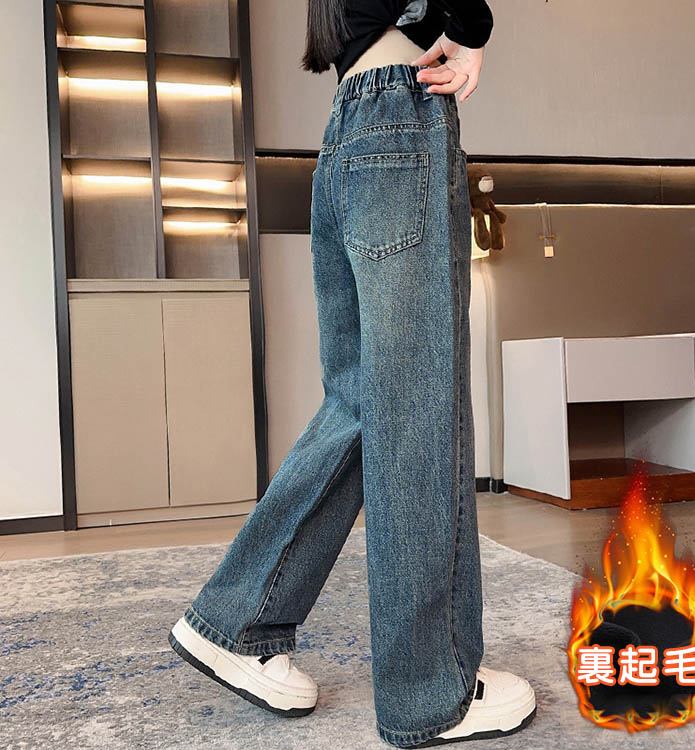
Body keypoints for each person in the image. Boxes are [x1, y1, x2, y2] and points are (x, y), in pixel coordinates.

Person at [168, 1, 536, 747]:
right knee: (419, 412)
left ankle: (237, 616)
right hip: (401, 115)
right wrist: (471, 30)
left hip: (348, 125)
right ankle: (431, 692)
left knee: (366, 401)